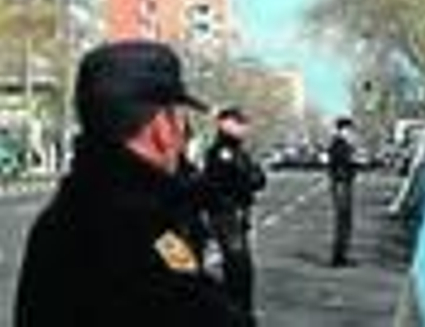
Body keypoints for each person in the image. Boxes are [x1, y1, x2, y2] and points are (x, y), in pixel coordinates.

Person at [13, 40, 250, 326]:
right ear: (162, 128)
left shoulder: (58, 219)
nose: (182, 133)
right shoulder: (145, 230)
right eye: (179, 118)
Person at [200, 106, 267, 315]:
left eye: (244, 123)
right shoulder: (222, 152)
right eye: (238, 123)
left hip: (235, 214)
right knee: (238, 268)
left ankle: (240, 311)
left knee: (241, 268)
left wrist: (251, 177)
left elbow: (259, 178)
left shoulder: (238, 151)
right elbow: (242, 180)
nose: (244, 127)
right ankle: (237, 312)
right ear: (224, 124)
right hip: (226, 214)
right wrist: (250, 177)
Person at [327, 117, 359, 267]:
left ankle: (341, 256)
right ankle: (339, 257)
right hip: (341, 185)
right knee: (343, 222)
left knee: (345, 222)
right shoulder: (339, 145)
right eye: (349, 130)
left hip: (343, 184)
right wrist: (353, 164)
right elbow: (341, 165)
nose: (351, 133)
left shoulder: (341, 144)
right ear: (343, 130)